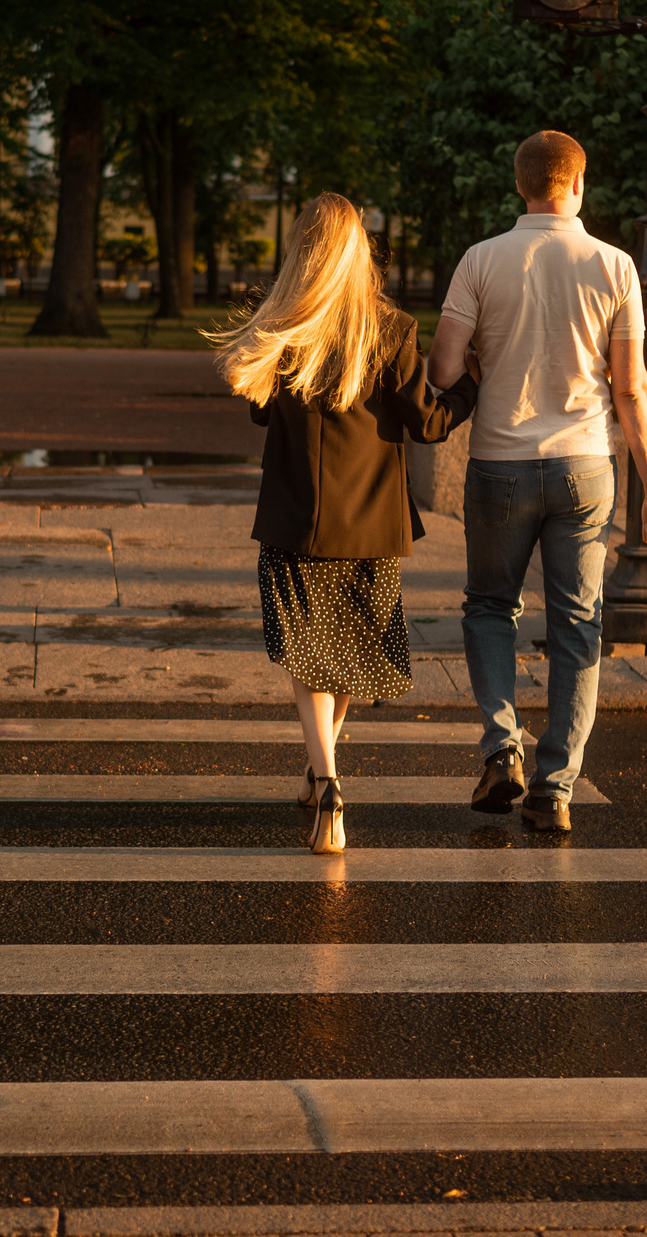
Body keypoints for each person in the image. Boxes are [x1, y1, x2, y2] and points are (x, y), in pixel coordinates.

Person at [209, 194, 478, 855]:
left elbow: (261, 416)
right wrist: (472, 379)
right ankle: (321, 768)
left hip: (296, 517)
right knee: (351, 653)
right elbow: (429, 422)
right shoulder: (390, 328)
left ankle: (326, 781)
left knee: (307, 652)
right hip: (371, 522)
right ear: (360, 250)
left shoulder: (284, 325)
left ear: (302, 250)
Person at [430, 130, 647, 832]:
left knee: (489, 607)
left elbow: (443, 371)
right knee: (576, 626)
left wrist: (483, 353)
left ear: (521, 185)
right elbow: (631, 390)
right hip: (585, 469)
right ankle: (556, 787)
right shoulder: (615, 267)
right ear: (579, 184)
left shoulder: (480, 260)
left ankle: (501, 747)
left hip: (500, 464)